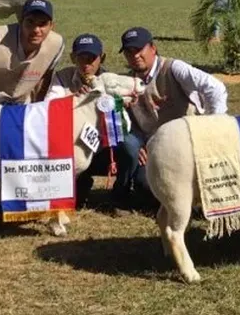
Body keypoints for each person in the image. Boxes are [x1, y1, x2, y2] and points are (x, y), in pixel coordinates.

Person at [117, 27, 228, 211]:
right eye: (129, 51)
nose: (135, 55)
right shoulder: (127, 82)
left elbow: (215, 88)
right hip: (155, 147)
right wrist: (140, 143)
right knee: (146, 187)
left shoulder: (174, 68)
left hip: (188, 143)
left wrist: (213, 128)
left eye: (139, 49)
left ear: (153, 48)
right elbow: (128, 120)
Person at [47, 33, 114, 208]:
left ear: (102, 58)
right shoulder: (62, 77)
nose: (86, 64)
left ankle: (120, 193)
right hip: (71, 143)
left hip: (102, 143)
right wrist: (74, 99)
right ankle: (78, 182)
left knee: (128, 146)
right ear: (72, 58)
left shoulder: (110, 80)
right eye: (81, 58)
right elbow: (49, 106)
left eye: (92, 58)